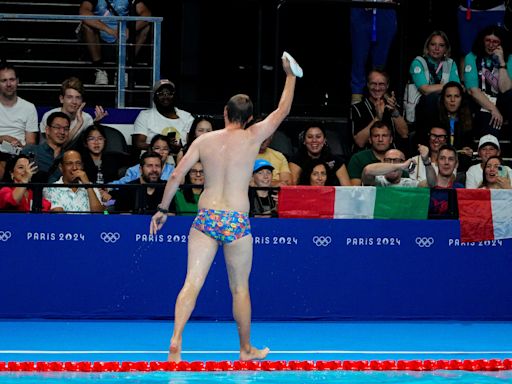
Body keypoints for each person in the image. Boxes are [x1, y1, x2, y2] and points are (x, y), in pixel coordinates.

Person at [149, 54, 297, 362]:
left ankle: (176, 340)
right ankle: (246, 349)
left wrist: (163, 209)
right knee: (240, 289)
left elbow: (176, 174)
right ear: (251, 119)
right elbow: (283, 110)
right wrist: (291, 75)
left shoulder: (205, 140)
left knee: (192, 282)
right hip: (237, 220)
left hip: (207, 218)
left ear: (224, 113)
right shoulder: (254, 136)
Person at [78, 0, 152, 85]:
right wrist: (107, 29)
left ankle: (125, 69)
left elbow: (146, 13)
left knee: (146, 28)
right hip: (100, 38)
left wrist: (129, 30)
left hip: (122, 37)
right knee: (86, 26)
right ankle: (99, 68)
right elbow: (83, 11)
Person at [463, 25, 512, 139]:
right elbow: (472, 90)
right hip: (481, 102)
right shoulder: (471, 57)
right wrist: (493, 109)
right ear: (482, 41)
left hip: (501, 102)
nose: (491, 45)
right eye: (488, 40)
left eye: (495, 42)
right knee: (490, 122)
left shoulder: (508, 58)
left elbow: (505, 89)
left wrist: (501, 62)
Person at [409, 30, 461, 136]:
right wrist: (447, 86)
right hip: (421, 107)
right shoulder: (418, 62)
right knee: (431, 99)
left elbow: (457, 88)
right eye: (433, 44)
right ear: (427, 47)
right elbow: (425, 89)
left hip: (445, 107)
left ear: (446, 49)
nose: (437, 48)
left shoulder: (451, 63)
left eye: (441, 45)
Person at [350, 69, 408, 154]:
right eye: (373, 84)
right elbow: (360, 142)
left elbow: (404, 134)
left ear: (387, 86)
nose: (377, 88)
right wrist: (377, 118)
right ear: (367, 85)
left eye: (381, 84)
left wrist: (394, 111)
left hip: (392, 158)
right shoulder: (357, 108)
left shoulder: (395, 107)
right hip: (367, 158)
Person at [349, 1, 397, 105]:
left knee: (381, 59)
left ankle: (380, 91)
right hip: (361, 9)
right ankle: (357, 95)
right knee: (359, 56)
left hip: (385, 8)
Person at [39, 77, 108, 147]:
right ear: (61, 99)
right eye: (69, 97)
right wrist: (79, 124)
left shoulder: (87, 118)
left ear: (82, 101)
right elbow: (51, 148)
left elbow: (89, 146)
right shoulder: (49, 116)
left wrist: (95, 124)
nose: (74, 102)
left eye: (78, 98)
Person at [132, 79, 194, 156]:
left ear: (175, 96)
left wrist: (181, 148)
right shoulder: (145, 115)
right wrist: (162, 148)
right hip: (153, 160)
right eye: (161, 94)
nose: (165, 97)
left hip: (181, 159)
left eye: (169, 93)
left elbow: (193, 144)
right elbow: (138, 144)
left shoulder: (187, 117)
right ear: (154, 97)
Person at [0, 62, 39, 180]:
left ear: (17, 81)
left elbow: (31, 142)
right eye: (3, 80)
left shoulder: (29, 107)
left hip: (19, 153)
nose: (8, 84)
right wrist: (3, 138)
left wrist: (20, 145)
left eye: (11, 79)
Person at [21, 111, 71, 183]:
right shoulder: (30, 151)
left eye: (66, 129)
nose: (62, 132)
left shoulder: (69, 156)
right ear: (47, 130)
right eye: (57, 127)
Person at [362, 146, 436, 187]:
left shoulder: (409, 184)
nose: (392, 164)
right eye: (388, 160)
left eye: (396, 160)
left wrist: (426, 161)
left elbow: (431, 183)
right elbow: (367, 171)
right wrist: (400, 166)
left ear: (404, 162)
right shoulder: (376, 181)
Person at [347, 120, 394, 185]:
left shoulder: (398, 158)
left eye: (384, 136)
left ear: (391, 139)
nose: (380, 139)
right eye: (376, 136)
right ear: (370, 140)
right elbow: (354, 190)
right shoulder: (358, 158)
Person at [429, 145, 465, 218]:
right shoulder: (426, 187)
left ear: (456, 164)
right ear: (436, 162)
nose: (446, 162)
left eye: (451, 159)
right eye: (442, 158)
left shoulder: (460, 189)